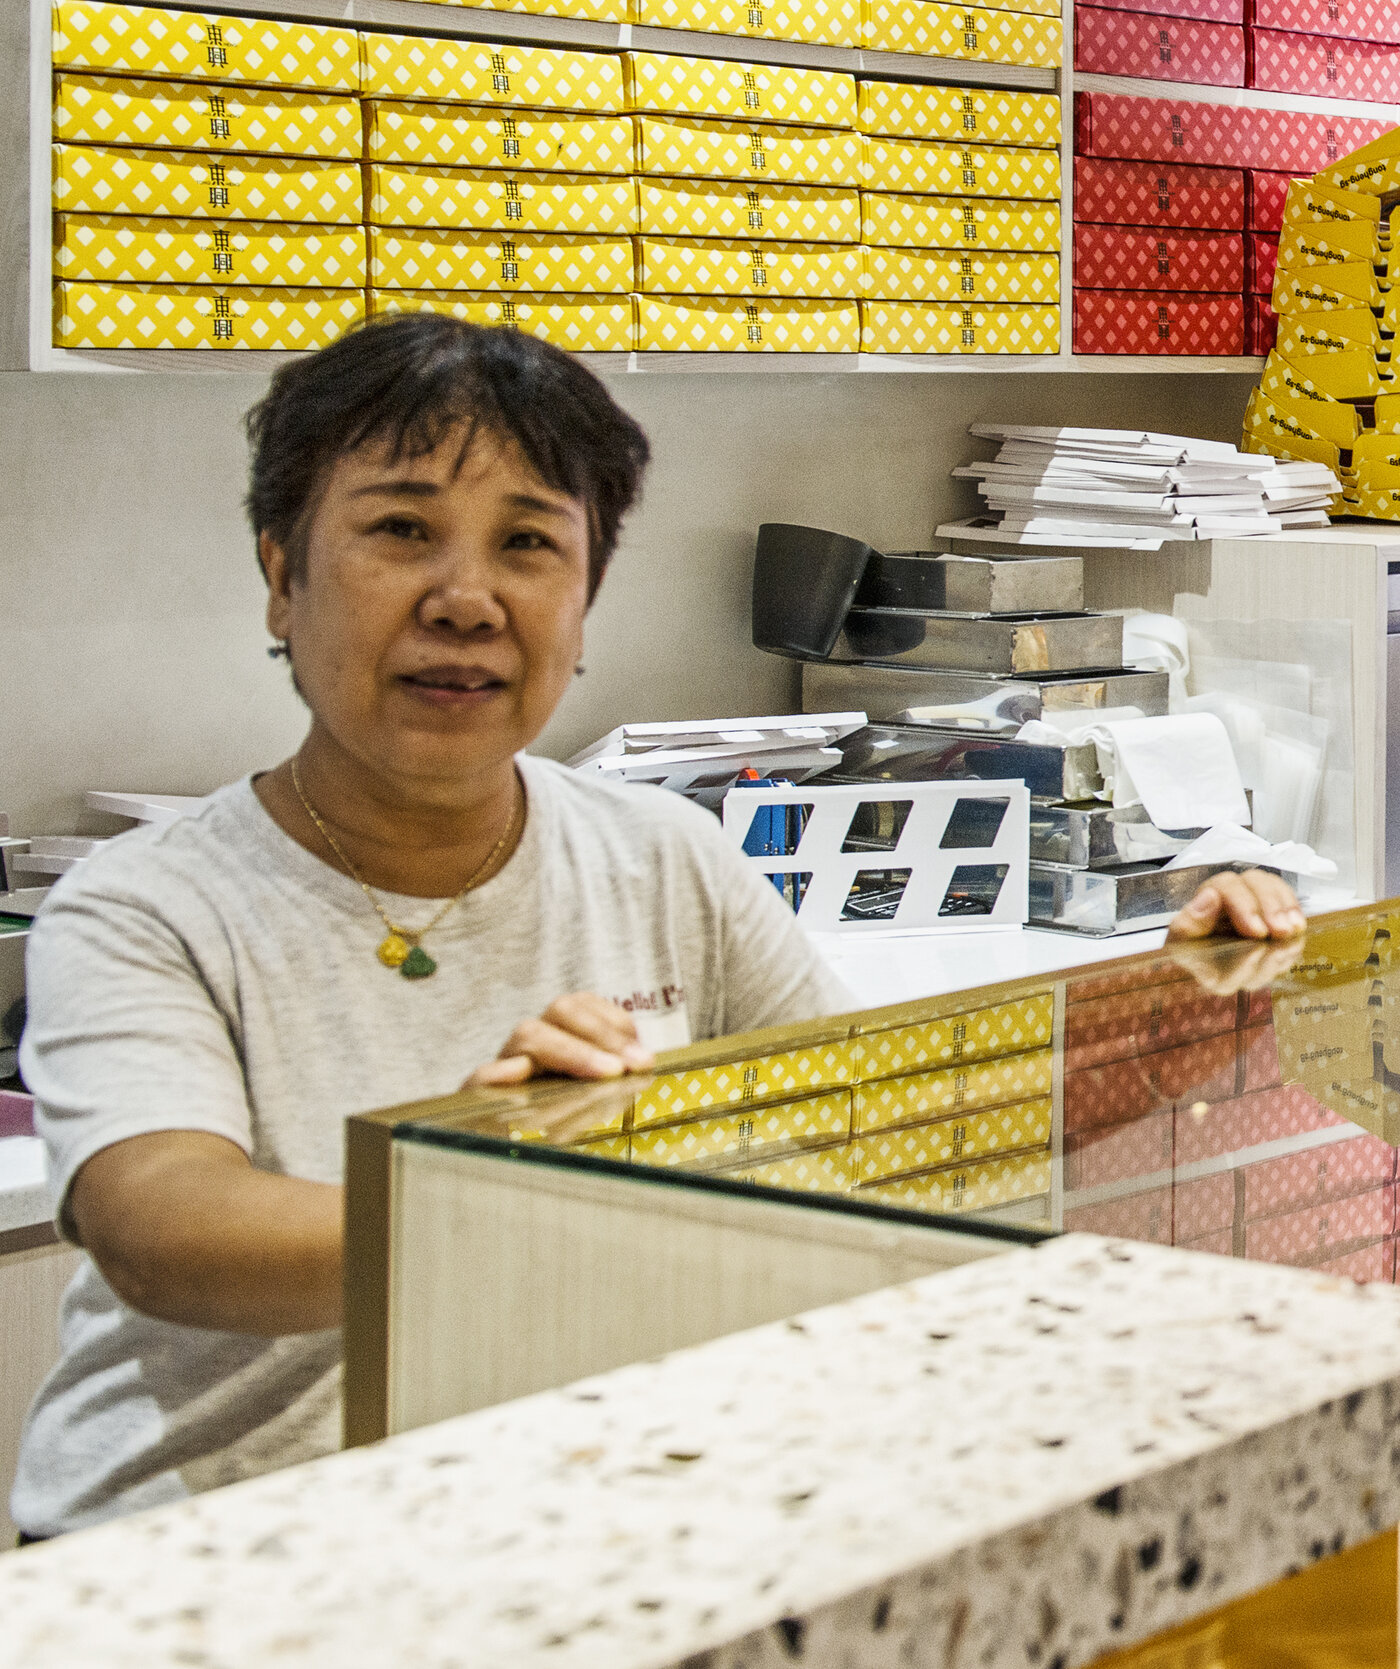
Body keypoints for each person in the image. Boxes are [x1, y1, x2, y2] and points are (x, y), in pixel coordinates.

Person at [10, 315, 1303, 1542]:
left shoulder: (664, 854)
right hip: (198, 1553)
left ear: (586, 596)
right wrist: (483, 1182)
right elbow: (163, 1225)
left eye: (529, 544)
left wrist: (1166, 1018)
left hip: (546, 1514)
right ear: (283, 577)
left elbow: (888, 1121)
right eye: (401, 529)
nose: (467, 598)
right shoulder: (143, 906)